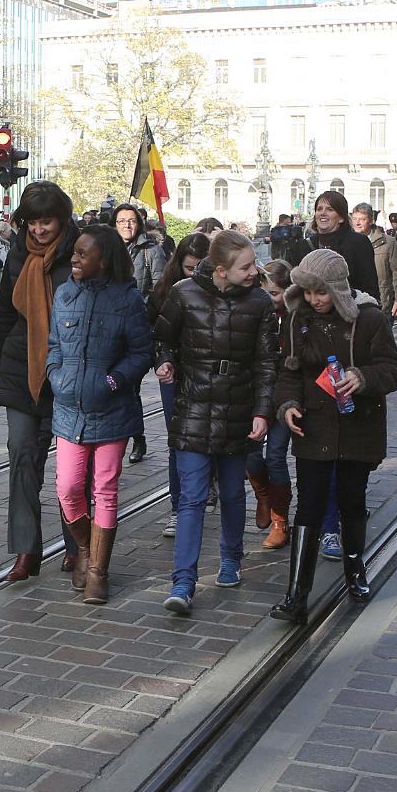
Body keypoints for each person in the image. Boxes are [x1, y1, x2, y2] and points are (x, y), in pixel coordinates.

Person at [269, 248, 397, 626]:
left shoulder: (371, 319)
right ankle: (296, 593)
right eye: (309, 292)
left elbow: (392, 370)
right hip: (313, 424)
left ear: (338, 288)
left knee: (351, 499)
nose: (314, 300)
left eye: (322, 293)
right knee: (309, 503)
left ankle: (354, 569)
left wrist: (361, 377)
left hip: (357, 426)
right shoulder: (298, 319)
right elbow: (288, 373)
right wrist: (289, 405)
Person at [154, 230, 278, 614]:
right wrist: (165, 361)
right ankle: (183, 581)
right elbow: (162, 337)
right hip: (193, 405)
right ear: (221, 270)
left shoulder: (259, 302)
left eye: (254, 263)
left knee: (231, 493)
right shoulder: (183, 293)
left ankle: (230, 558)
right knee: (191, 498)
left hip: (238, 407)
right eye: (246, 266)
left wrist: (262, 411)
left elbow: (266, 363)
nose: (254, 271)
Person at [46, 225, 154, 605]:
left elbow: (142, 352)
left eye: (82, 253)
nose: (74, 258)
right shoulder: (65, 294)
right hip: (69, 408)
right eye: (74, 252)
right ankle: (85, 550)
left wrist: (113, 381)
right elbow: (54, 344)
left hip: (112, 411)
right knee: (68, 488)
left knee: (104, 489)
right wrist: (55, 374)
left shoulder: (127, 299)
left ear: (103, 260)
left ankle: (97, 571)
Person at [0, 181, 80, 582]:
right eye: (33, 222)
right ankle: (26, 550)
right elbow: (6, 310)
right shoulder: (18, 254)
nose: (39, 230)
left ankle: (77, 544)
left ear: (61, 220)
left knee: (72, 469)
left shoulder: (80, 252)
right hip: (21, 368)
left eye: (47, 222)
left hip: (69, 370)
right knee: (22, 455)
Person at [149, 232, 212, 535]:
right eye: (189, 269)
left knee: (210, 437)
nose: (195, 276)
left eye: (202, 268)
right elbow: (155, 332)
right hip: (175, 372)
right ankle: (178, 506)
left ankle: (206, 486)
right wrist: (162, 359)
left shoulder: (226, 292)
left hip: (213, 375)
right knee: (178, 440)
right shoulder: (166, 292)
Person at [245, 259, 296, 550]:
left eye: (275, 294)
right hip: (255, 395)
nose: (270, 300)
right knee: (250, 455)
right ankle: (263, 494)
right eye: (266, 293)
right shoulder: (255, 313)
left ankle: (280, 519)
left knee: (275, 454)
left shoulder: (295, 319)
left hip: (283, 397)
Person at [115, 203, 166, 463]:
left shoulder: (151, 252)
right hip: (111, 331)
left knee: (131, 389)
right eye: (121, 221)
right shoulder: (107, 250)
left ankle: (138, 438)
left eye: (131, 220)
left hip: (137, 329)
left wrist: (139, 308)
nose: (126, 225)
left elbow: (160, 291)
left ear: (139, 223)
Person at [306, 192, 380, 300]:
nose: (323, 213)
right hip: (311, 313)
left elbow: (369, 288)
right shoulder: (303, 246)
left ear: (341, 217)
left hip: (349, 311)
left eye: (330, 209)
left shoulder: (358, 243)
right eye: (319, 209)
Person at [351, 203, 397, 321]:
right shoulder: (348, 241)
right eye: (355, 219)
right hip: (354, 303)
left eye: (362, 219)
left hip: (382, 303)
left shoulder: (388, 243)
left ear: (371, 220)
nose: (357, 223)